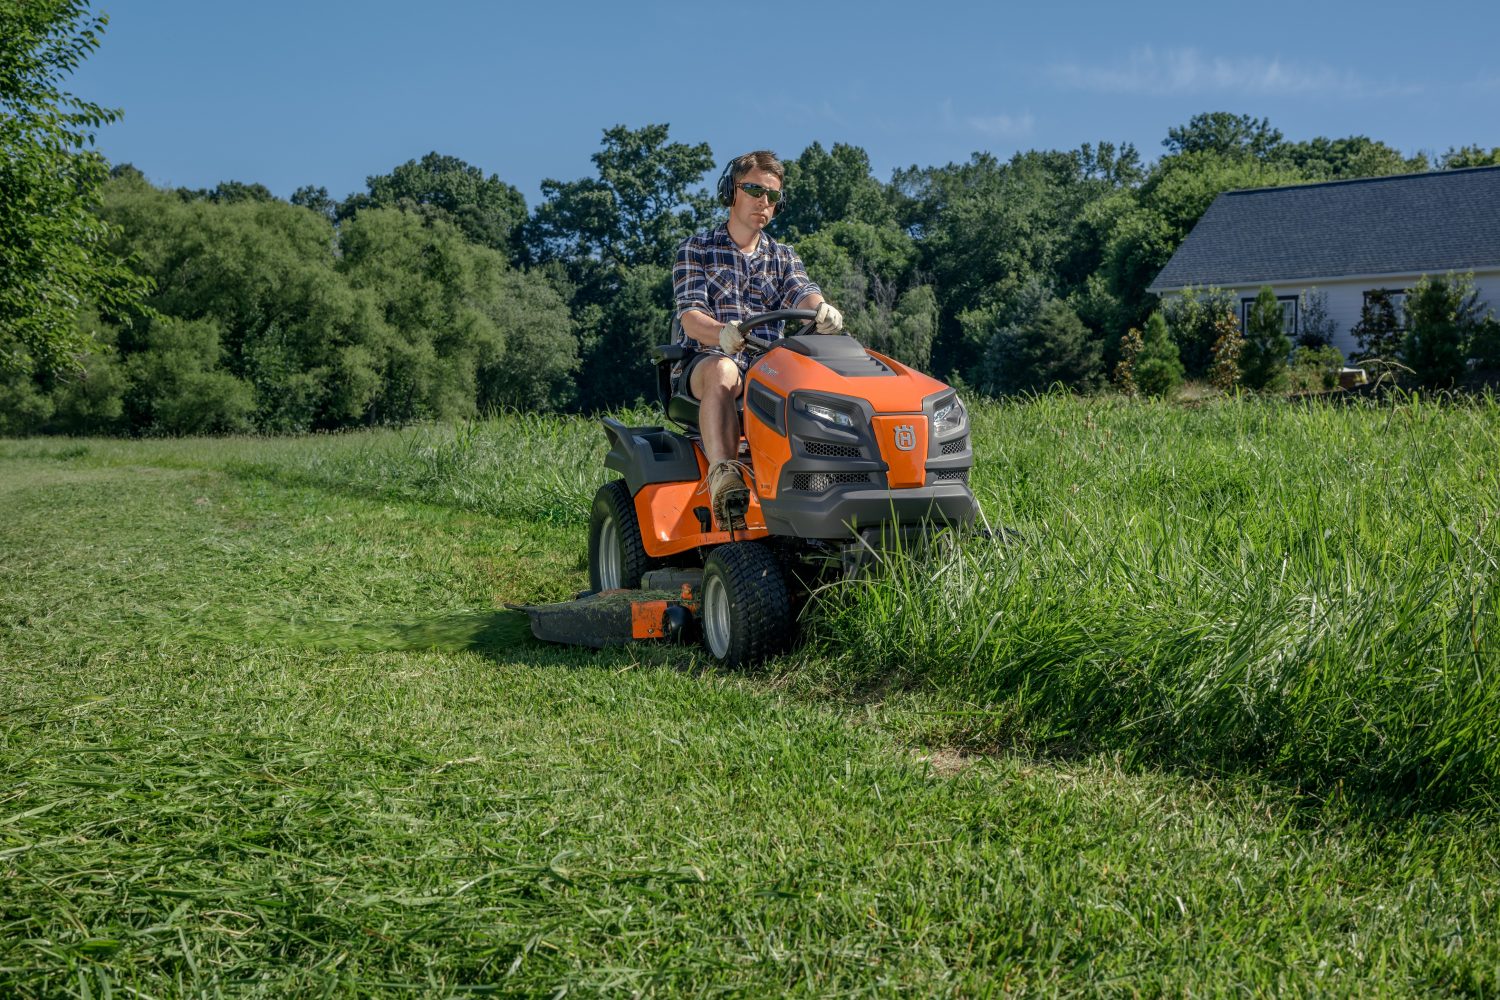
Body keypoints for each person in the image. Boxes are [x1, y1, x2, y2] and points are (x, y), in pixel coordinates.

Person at [672, 150, 843, 525]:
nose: (763, 201)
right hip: (706, 362)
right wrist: (722, 333)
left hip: (768, 367)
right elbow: (691, 318)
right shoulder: (696, 249)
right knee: (724, 371)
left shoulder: (783, 256)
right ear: (730, 192)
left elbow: (802, 291)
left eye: (772, 196)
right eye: (753, 189)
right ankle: (724, 476)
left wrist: (822, 308)